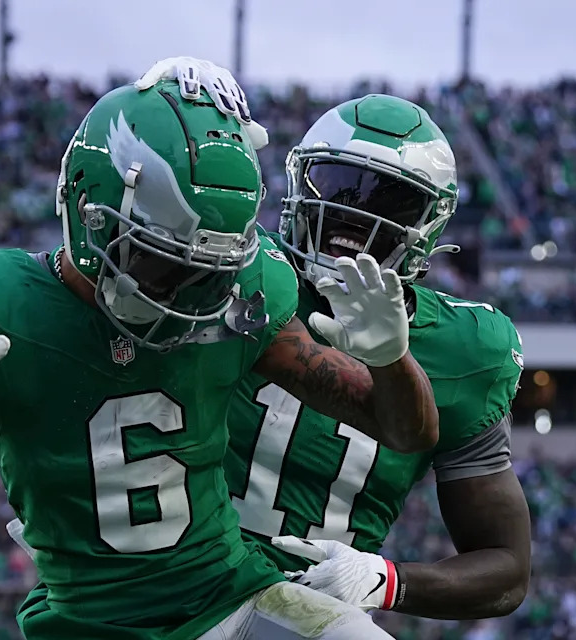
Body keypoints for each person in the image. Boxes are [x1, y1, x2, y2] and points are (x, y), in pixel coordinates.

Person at [0, 60, 438, 639]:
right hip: (82, 624)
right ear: (90, 214)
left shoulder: (244, 292)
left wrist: (391, 359)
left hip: (228, 597)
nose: (187, 298)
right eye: (163, 262)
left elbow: (406, 432)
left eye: (211, 274)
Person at [224, 94, 531, 625]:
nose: (352, 211)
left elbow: (506, 570)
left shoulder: (467, 349)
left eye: (391, 201)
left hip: (310, 609)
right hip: (175, 573)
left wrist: (385, 580)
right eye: (336, 185)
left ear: (427, 226)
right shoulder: (237, 269)